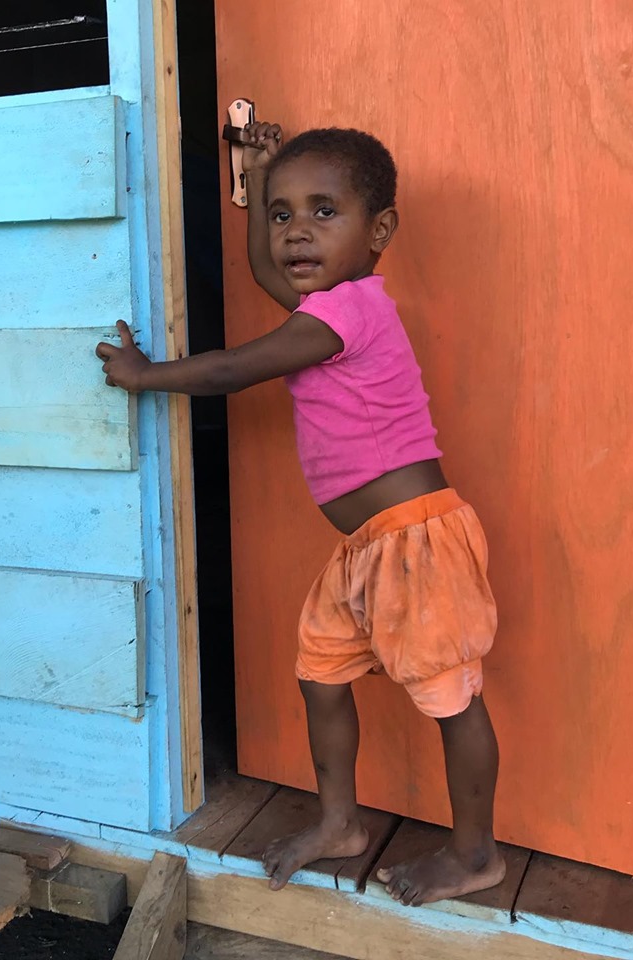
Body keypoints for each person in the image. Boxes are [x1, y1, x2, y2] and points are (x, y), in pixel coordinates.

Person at [96, 121, 504, 907]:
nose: (295, 234)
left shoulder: (345, 314)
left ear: (379, 229)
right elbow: (258, 266)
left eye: (324, 213)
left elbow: (228, 370)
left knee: (452, 700)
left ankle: (476, 852)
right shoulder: (325, 308)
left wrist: (145, 375)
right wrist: (251, 182)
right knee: (321, 672)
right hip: (366, 549)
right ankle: (341, 824)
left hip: (417, 543)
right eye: (283, 214)